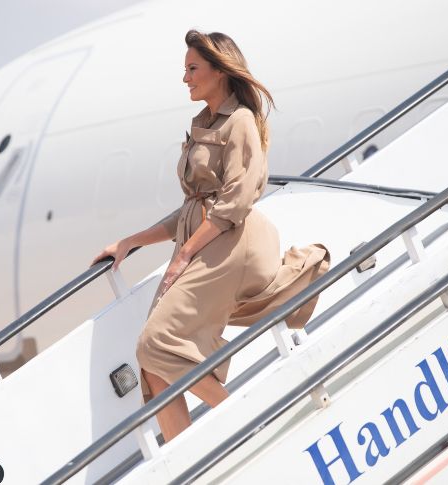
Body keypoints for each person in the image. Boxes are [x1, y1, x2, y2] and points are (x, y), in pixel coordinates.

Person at [92, 29, 330, 442]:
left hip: (234, 242)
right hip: (206, 242)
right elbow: (192, 209)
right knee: (152, 364)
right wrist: (132, 241)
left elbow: (235, 201)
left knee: (155, 343)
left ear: (219, 70)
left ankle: (249, 423)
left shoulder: (240, 122)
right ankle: (188, 460)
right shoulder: (203, 124)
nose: (185, 78)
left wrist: (184, 254)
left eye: (192, 68)